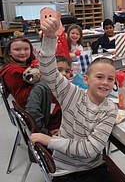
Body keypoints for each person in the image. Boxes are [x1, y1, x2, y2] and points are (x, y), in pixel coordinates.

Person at [30, 16, 117, 182]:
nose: (105, 83)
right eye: (99, 77)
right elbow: (48, 70)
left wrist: (50, 141)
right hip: (65, 169)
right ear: (86, 79)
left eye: (110, 79)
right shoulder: (71, 93)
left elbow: (90, 150)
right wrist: (49, 38)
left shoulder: (110, 109)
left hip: (93, 166)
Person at [0, 36, 61, 135]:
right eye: (17, 49)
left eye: (26, 49)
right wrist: (40, 80)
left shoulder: (27, 65)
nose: (22, 52)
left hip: (41, 104)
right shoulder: (12, 72)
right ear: (9, 52)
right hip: (37, 112)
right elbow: (21, 98)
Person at [26, 56, 71, 136]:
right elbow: (32, 113)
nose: (64, 74)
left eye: (67, 71)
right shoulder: (40, 89)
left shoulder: (65, 89)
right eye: (59, 70)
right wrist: (46, 134)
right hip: (48, 133)